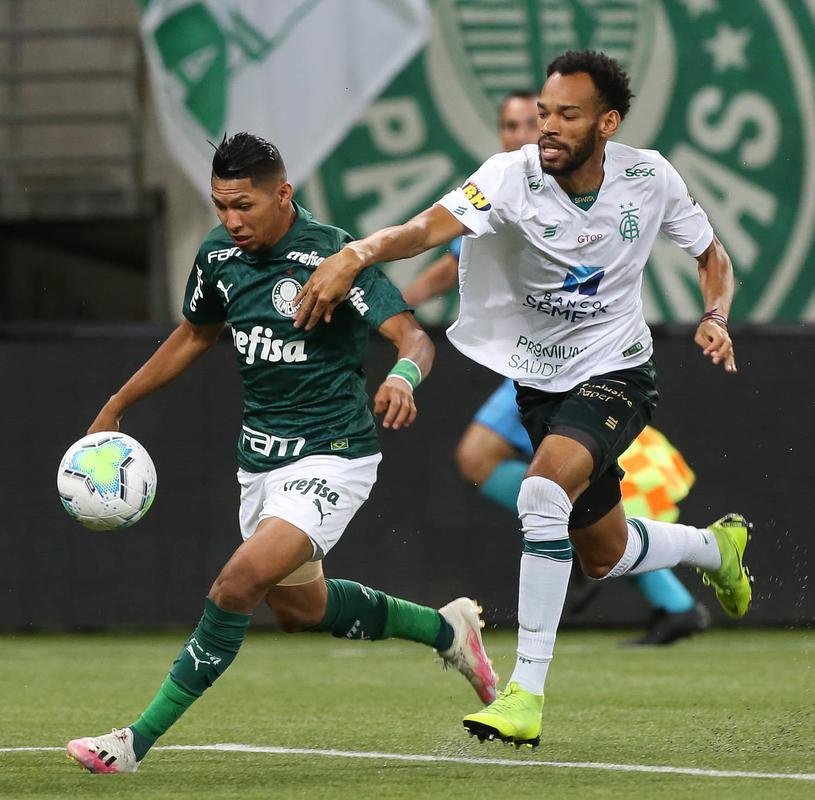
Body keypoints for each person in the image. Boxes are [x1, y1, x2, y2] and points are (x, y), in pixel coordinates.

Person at [292, 50, 752, 747]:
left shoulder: (648, 176)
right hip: (539, 383)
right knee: (600, 552)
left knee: (539, 494)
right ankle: (713, 548)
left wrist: (713, 317)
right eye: (543, 113)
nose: (549, 127)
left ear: (607, 122)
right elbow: (422, 232)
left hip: (618, 373)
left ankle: (523, 694)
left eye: (567, 115)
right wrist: (356, 253)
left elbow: (711, 256)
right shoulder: (509, 178)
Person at [65, 133, 497, 774]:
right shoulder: (218, 258)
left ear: (283, 194)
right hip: (260, 462)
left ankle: (134, 742)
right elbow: (195, 335)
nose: (232, 221)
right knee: (302, 611)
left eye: (244, 205)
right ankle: (448, 630)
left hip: (333, 454)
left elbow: (413, 337)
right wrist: (117, 404)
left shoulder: (332, 256)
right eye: (220, 206)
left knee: (237, 583)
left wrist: (403, 375)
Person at [405, 90, 710, 646]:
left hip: (590, 360)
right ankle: (674, 591)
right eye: (515, 123)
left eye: (539, 120)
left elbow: (701, 250)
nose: (526, 133)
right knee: (575, 510)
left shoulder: (606, 185)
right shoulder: (504, 190)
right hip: (532, 358)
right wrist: (389, 306)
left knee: (502, 466)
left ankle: (583, 563)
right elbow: (444, 262)